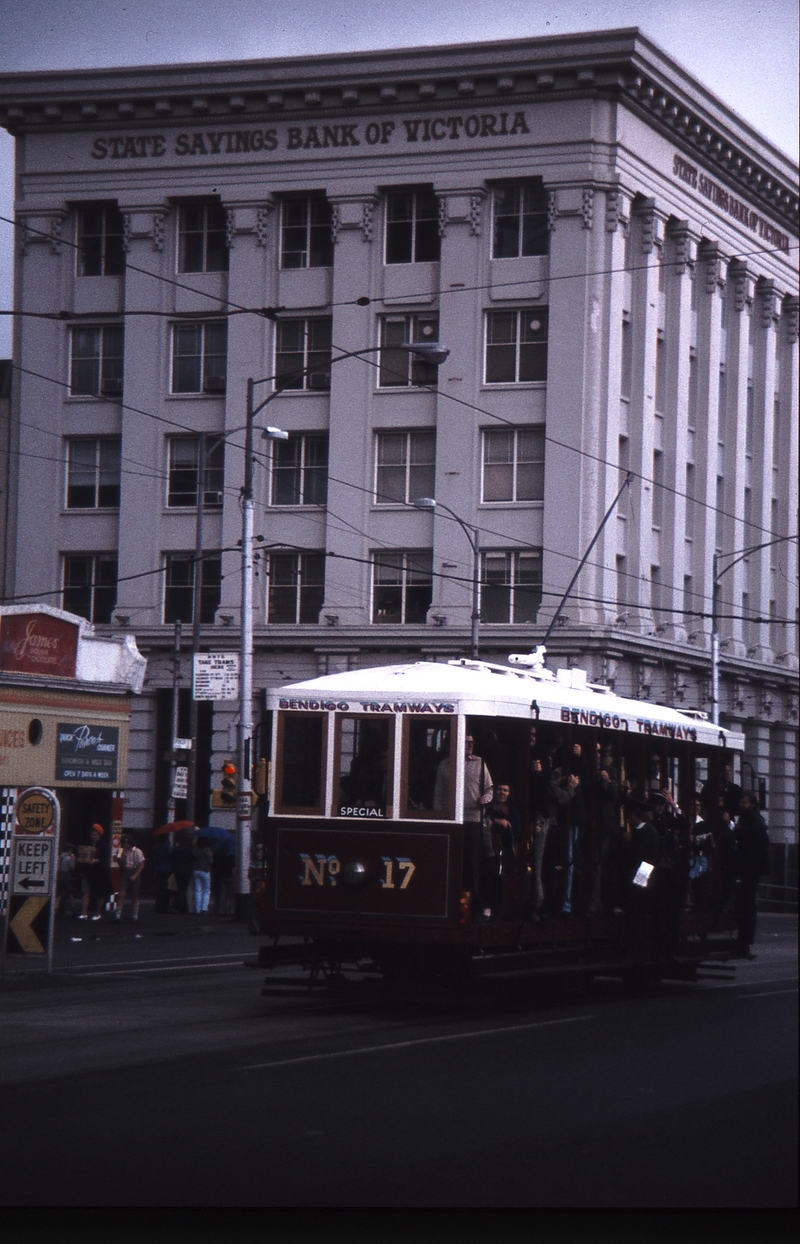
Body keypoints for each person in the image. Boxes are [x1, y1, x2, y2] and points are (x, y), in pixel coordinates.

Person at [434, 731, 493, 919]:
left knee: (472, 864)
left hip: (473, 819)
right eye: (466, 742)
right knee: (449, 862)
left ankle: (474, 907)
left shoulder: (480, 763)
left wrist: (486, 798)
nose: (469, 745)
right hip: (451, 820)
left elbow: (490, 788)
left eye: (471, 742)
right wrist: (440, 815)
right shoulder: (445, 765)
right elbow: (438, 793)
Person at [732, 791, 770, 959]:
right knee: (745, 904)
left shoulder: (753, 820)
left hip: (750, 869)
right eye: (740, 802)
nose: (741, 805)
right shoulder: (749, 819)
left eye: (744, 803)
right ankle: (743, 942)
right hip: (749, 868)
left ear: (752, 805)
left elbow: (744, 837)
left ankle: (744, 942)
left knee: (746, 904)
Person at [77, 824, 106, 921]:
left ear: (99, 835)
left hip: (99, 872)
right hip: (88, 871)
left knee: (99, 893)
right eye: (92, 834)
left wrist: (97, 861)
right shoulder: (87, 843)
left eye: (96, 835)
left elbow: (105, 859)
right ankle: (84, 912)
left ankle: (98, 913)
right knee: (85, 891)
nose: (94, 836)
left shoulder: (103, 845)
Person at [116, 835, 145, 921]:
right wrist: (119, 857)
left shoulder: (137, 851)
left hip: (134, 871)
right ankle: (118, 914)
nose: (124, 845)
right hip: (125, 871)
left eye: (126, 843)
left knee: (134, 896)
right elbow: (119, 862)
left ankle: (134, 915)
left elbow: (142, 863)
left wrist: (136, 875)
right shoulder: (122, 851)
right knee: (121, 894)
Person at [191, 832, 214, 915]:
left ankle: (197, 909)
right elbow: (210, 861)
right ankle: (204, 908)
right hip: (205, 870)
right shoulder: (207, 849)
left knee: (197, 889)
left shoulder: (195, 849)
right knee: (206, 890)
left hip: (196, 869)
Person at [56, 842, 77, 917]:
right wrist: (74, 859)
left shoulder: (59, 856)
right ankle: (73, 908)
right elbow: (72, 867)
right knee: (69, 892)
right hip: (65, 874)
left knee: (58, 892)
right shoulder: (69, 857)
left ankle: (56, 908)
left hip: (58, 874)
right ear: (70, 850)